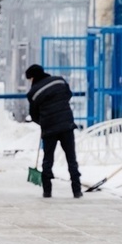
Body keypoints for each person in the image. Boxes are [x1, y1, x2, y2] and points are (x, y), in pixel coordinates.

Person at [26, 64, 82, 199]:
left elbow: (33, 115)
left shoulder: (33, 93)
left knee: (48, 159)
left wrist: (44, 121)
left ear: (33, 77)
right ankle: (76, 190)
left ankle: (47, 191)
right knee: (71, 158)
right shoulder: (60, 81)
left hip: (49, 129)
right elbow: (68, 95)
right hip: (66, 125)